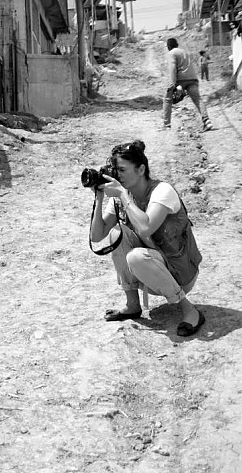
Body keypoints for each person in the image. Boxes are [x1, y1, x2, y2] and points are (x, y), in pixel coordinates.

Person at [90, 140, 206, 337]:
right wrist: (100, 196)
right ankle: (132, 304)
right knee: (116, 234)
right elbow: (97, 236)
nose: (117, 175)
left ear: (141, 169)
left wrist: (122, 194)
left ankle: (190, 310)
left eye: (122, 170)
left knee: (136, 256)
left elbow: (145, 228)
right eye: (115, 170)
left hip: (180, 273)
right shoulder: (121, 198)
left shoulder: (162, 191)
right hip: (150, 271)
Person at [162, 38, 212, 132]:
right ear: (177, 44)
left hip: (181, 80)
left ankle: (166, 124)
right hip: (193, 79)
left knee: (167, 99)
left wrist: (173, 84)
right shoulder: (185, 52)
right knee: (197, 100)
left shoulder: (172, 53)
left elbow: (173, 68)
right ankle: (207, 121)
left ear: (168, 46)